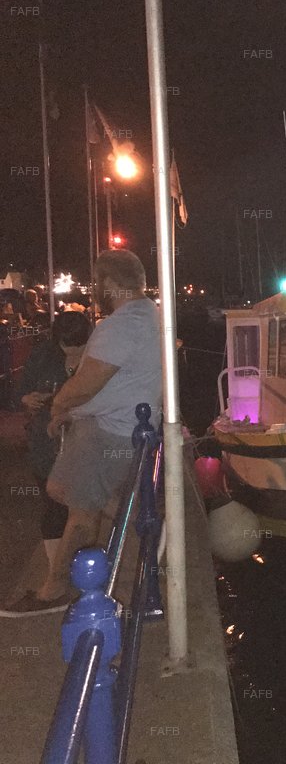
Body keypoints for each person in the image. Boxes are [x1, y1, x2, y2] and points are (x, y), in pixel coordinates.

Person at [0, 250, 163, 615]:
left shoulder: (120, 325)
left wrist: (59, 406)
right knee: (62, 490)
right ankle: (138, 524)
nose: (95, 290)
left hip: (109, 432)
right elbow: (113, 384)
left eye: (97, 281)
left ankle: (54, 590)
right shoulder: (149, 315)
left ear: (109, 283)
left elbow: (86, 385)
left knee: (79, 507)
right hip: (124, 427)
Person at [0, 312, 91, 610]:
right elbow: (20, 392)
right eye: (66, 348)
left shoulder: (98, 357)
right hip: (45, 440)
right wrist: (27, 399)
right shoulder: (41, 355)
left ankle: (80, 572)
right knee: (53, 506)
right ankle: (58, 575)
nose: (72, 354)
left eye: (78, 348)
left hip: (82, 442)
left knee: (81, 508)